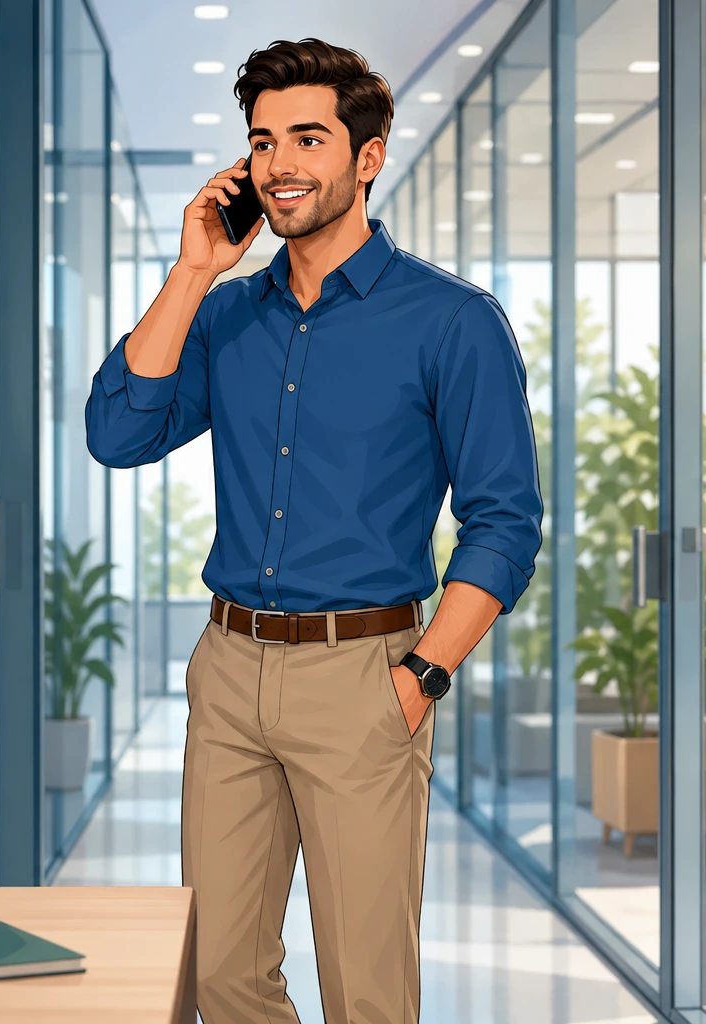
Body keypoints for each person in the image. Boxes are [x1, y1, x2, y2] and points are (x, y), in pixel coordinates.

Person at [84, 39, 542, 1024]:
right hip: (230, 666)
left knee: (367, 989)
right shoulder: (225, 315)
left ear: (367, 157)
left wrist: (420, 677)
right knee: (221, 976)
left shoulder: (452, 322)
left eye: (307, 137)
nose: (280, 161)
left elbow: (505, 522)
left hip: (367, 674)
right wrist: (194, 266)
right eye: (261, 141)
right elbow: (117, 432)